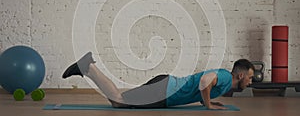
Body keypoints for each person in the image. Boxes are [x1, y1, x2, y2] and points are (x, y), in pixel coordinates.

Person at [62, 52, 254, 110]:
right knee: (118, 101)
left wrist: (209, 101)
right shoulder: (225, 76)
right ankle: (88, 67)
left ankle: (87, 67)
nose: (251, 82)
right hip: (166, 91)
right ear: (240, 75)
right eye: (250, 77)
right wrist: (208, 104)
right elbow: (205, 80)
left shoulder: (226, 83)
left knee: (119, 101)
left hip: (166, 89)